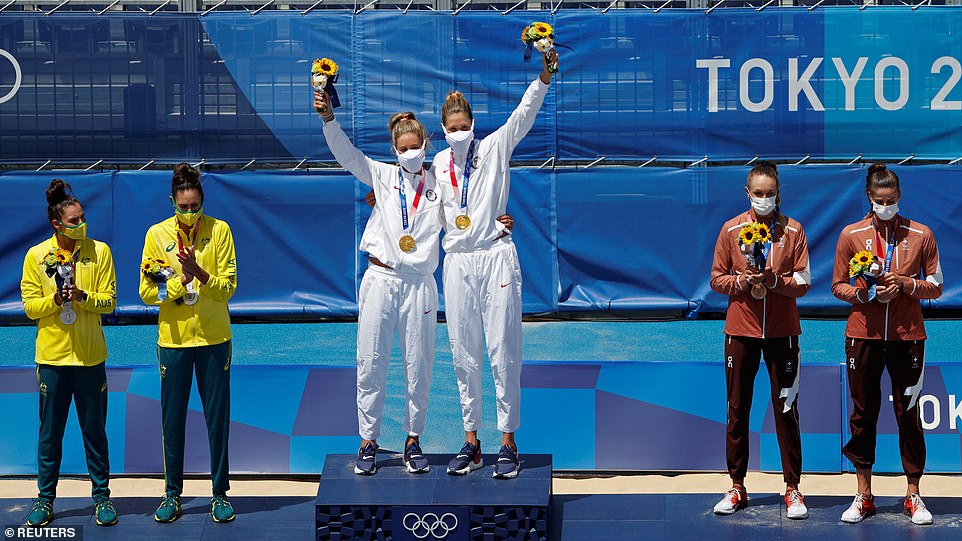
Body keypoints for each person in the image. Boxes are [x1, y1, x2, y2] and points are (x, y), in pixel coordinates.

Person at [430, 49, 557, 480]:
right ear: (443, 130)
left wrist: (543, 75)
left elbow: (524, 113)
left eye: (465, 127)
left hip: (496, 256)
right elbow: (422, 203)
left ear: (474, 125)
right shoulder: (439, 162)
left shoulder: (495, 146)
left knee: (503, 350)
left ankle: (508, 442)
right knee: (464, 354)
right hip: (458, 262)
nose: (460, 133)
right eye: (453, 129)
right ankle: (471, 442)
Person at [315, 93, 443, 476]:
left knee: (418, 364)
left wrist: (499, 225)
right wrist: (328, 119)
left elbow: (473, 205)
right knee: (371, 362)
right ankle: (368, 440)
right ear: (394, 149)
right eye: (402, 148)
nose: (410, 153)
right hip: (381, 278)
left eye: (415, 146)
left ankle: (413, 439)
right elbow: (347, 154)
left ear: (425, 145)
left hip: (419, 283)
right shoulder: (383, 176)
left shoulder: (441, 184)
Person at [832, 164, 942, 525]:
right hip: (862, 334)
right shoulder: (851, 234)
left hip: (908, 335)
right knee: (863, 415)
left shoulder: (921, 233)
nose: (886, 206)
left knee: (908, 414)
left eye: (891, 200)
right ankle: (864, 494)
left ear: (899, 197)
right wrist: (867, 294)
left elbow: (937, 285)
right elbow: (838, 287)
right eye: (879, 201)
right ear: (868, 198)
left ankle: (913, 495)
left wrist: (907, 285)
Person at [709, 162, 811, 518]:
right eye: (759, 193)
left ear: (778, 193)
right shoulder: (730, 230)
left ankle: (793, 488)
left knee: (786, 409)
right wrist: (741, 281)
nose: (764, 199)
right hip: (741, 331)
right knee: (737, 409)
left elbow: (804, 282)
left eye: (770, 193)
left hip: (783, 332)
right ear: (747, 193)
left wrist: (774, 281)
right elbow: (716, 279)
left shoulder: (793, 231)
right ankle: (737, 485)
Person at [139, 163, 237, 523]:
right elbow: (148, 292)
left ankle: (220, 493)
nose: (190, 213)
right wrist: (181, 282)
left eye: (196, 205)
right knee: (173, 419)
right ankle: (171, 494)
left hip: (214, 338)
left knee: (217, 418)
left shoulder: (220, 231)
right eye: (184, 206)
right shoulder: (156, 236)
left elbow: (228, 287)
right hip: (174, 341)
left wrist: (201, 274)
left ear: (203, 200)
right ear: (172, 202)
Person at [20, 179, 118, 527]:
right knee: (50, 434)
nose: (81, 224)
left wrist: (83, 296)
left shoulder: (100, 252)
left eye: (82, 218)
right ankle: (45, 500)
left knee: (95, 431)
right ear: (56, 224)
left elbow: (110, 302)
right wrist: (57, 300)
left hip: (91, 358)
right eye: (74, 221)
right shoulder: (36, 256)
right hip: (53, 360)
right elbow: (31, 307)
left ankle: (102, 498)